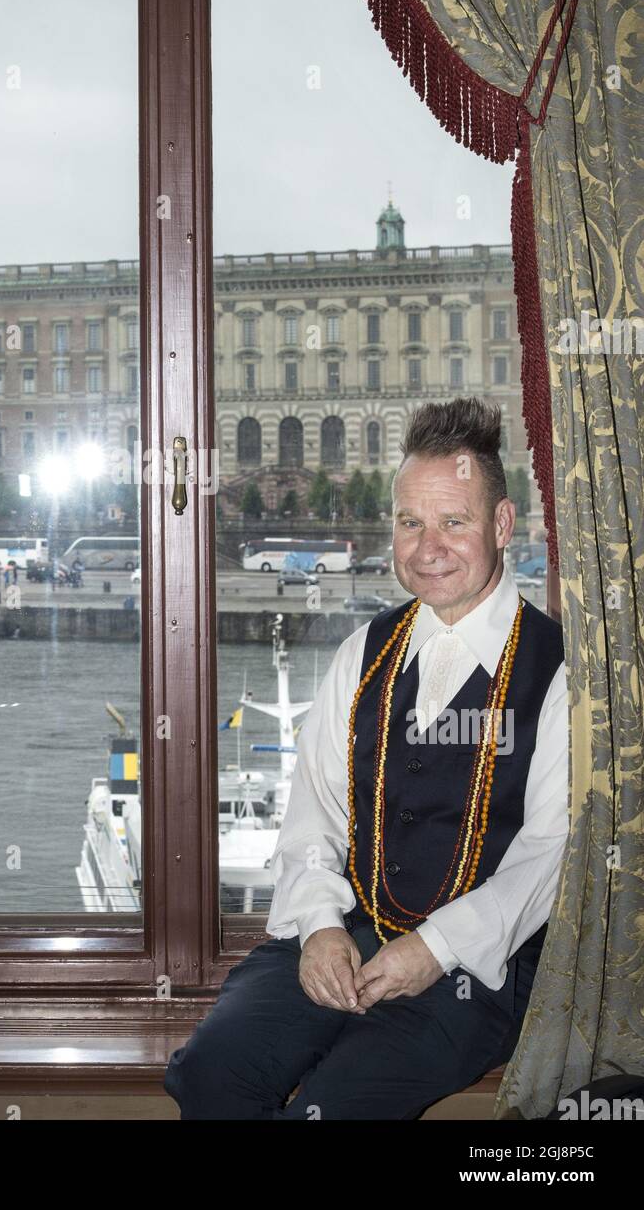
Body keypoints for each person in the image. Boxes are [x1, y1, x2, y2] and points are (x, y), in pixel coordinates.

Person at [164, 398, 567, 1120]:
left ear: (502, 525)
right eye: (410, 522)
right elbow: (314, 812)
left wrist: (432, 950)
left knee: (334, 1109)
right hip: (339, 934)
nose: (426, 547)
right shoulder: (362, 651)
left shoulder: (558, 670)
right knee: (209, 1076)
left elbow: (548, 854)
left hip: (474, 969)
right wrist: (318, 927)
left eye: (453, 521)